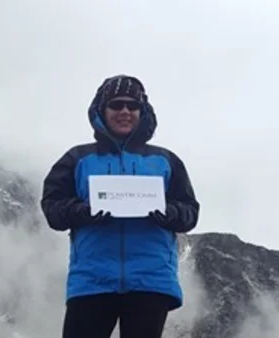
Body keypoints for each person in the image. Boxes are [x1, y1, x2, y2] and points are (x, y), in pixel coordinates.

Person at [40, 74, 200, 338]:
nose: (124, 111)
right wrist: (83, 211)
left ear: (142, 111)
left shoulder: (166, 161)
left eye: (132, 105)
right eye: (116, 105)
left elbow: (190, 213)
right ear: (101, 110)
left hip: (151, 281)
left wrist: (168, 213)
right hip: (92, 281)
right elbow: (52, 210)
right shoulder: (77, 158)